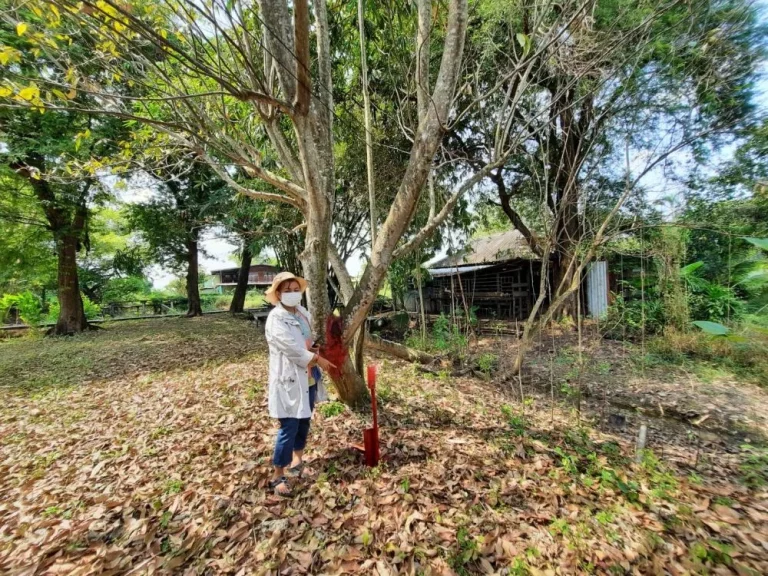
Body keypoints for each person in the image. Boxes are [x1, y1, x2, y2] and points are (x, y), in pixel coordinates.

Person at [264, 272, 335, 497]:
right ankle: (277, 475)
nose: (293, 294)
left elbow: (305, 340)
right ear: (277, 294)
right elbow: (292, 350)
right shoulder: (276, 319)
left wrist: (314, 348)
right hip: (290, 378)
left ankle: (297, 460)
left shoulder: (302, 313)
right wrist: (318, 359)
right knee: (289, 426)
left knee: (304, 419)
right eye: (287, 290)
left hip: (309, 376)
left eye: (296, 290)